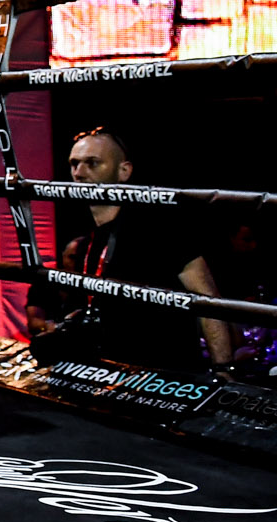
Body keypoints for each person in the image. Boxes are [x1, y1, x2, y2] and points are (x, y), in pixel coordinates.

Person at [35, 128, 235, 370]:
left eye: (92, 163)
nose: (79, 173)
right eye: (74, 164)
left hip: (163, 375)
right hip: (110, 372)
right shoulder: (87, 242)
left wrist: (224, 369)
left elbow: (207, 300)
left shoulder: (159, 229)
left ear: (124, 171)